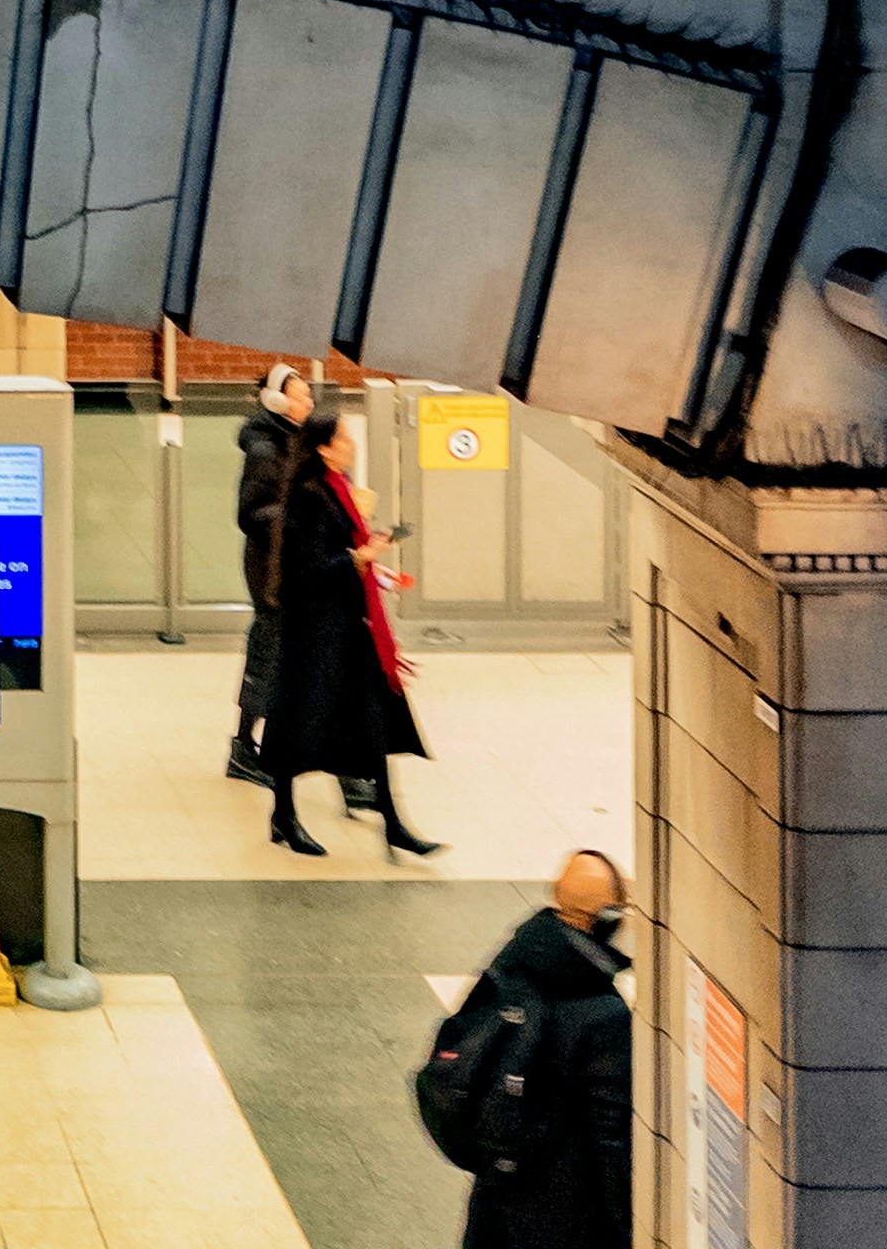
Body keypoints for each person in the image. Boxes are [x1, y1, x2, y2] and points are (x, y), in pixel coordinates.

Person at [258, 401, 445, 857]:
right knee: (298, 725)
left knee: (371, 723)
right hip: (315, 633)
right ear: (324, 449)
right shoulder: (306, 495)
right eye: (343, 437)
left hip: (348, 627)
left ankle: (393, 821)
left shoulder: (336, 486)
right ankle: (283, 813)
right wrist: (359, 558)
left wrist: (368, 550)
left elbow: (341, 549)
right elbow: (307, 568)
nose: (351, 443)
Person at [443, 851, 633, 1247]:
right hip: (568, 1212)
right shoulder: (605, 1015)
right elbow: (611, 1138)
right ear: (609, 919)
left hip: (499, 1189)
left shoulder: (516, 956)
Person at [226, 363, 309, 784]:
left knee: (280, 649)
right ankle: (243, 748)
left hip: (289, 560)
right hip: (269, 565)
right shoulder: (265, 449)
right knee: (269, 646)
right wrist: (296, 515)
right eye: (300, 394)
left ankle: (254, 745)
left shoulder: (297, 443)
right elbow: (250, 513)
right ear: (276, 399)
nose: (309, 401)